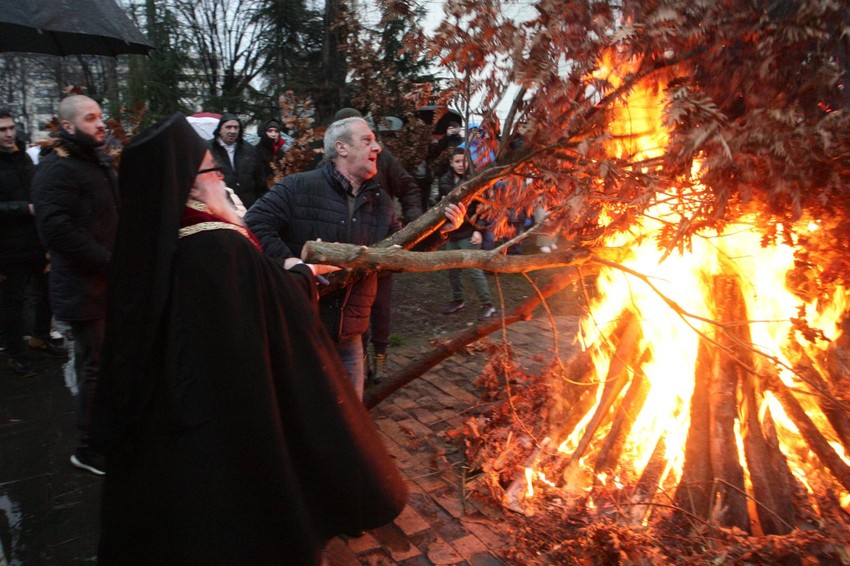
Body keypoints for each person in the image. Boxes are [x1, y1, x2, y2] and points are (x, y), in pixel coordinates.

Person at [90, 113, 407, 564]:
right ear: (191, 183)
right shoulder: (217, 243)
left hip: (180, 405)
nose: (220, 175)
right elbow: (263, 303)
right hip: (227, 405)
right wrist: (298, 276)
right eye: (210, 169)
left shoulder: (166, 239)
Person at [245, 116, 464, 398]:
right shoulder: (297, 187)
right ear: (342, 148)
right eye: (367, 140)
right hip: (302, 333)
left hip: (352, 335)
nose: (378, 147)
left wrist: (440, 232)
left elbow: (398, 257)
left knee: (350, 422)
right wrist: (293, 264)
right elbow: (253, 224)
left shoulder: (380, 202)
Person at [31, 95, 118, 476]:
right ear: (68, 126)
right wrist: (107, 260)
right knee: (94, 369)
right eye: (90, 118)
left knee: (104, 366)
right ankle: (87, 449)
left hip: (105, 285)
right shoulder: (56, 170)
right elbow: (56, 229)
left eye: (101, 116)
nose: (101, 124)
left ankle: (107, 435)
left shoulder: (93, 162)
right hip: (83, 289)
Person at [332, 108, 423, 384]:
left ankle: (379, 356)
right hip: (346, 251)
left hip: (382, 244)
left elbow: (409, 187)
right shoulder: (329, 162)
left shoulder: (383, 160)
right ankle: (358, 359)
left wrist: (414, 224)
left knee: (380, 305)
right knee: (353, 308)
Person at [0, 108, 64, 377]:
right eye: (2, 129)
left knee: (47, 291)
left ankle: (39, 337)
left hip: (36, 239)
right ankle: (15, 354)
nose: (8, 133)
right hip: (7, 246)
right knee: (13, 302)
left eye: (11, 127)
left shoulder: (22, 155)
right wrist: (23, 209)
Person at [438, 148, 496, 320]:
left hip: (470, 233)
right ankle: (458, 300)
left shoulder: (475, 181)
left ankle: (488, 305)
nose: (460, 165)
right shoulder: (445, 180)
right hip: (451, 233)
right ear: (451, 163)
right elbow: (450, 201)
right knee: (452, 271)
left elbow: (484, 208)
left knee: (474, 270)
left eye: (463, 162)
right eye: (456, 162)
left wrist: (479, 230)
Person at [208, 113, 267, 208]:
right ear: (219, 129)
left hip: (249, 207)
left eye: (236, 128)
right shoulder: (208, 150)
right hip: (222, 208)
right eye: (228, 127)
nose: (233, 131)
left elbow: (260, 182)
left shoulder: (250, 150)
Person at [256, 117, 286, 185]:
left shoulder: (282, 154)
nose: (273, 134)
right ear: (264, 132)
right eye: (270, 131)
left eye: (276, 131)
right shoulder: (255, 152)